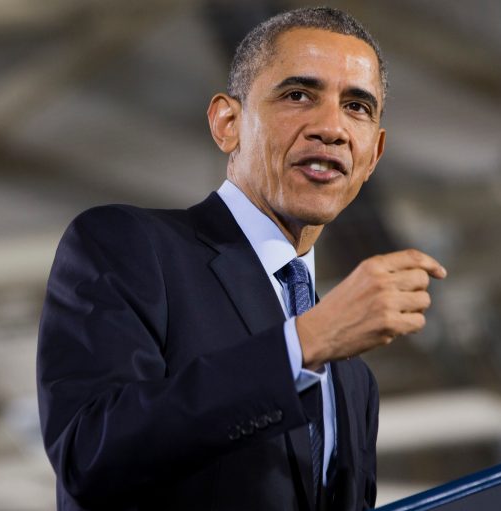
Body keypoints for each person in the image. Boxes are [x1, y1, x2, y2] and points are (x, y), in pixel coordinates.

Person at [37, 6, 446, 511]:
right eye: (299, 95)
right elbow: (90, 453)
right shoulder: (130, 245)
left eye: (357, 107)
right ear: (228, 123)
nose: (333, 128)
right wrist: (304, 344)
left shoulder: (354, 378)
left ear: (373, 155)